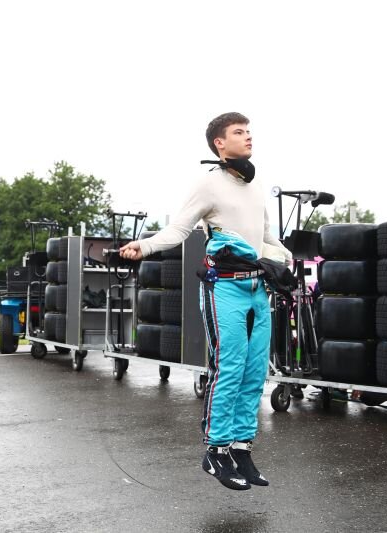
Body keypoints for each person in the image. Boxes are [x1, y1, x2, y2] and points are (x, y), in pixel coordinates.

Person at [120, 112, 292, 491]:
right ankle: (215, 452)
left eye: (249, 131)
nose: (248, 136)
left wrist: (286, 258)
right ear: (220, 142)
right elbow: (179, 229)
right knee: (228, 369)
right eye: (239, 132)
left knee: (254, 372)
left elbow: (265, 235)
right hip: (223, 289)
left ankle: (242, 450)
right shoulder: (208, 184)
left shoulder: (255, 184)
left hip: (257, 289)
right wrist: (144, 246)